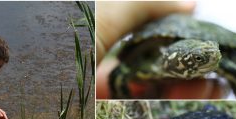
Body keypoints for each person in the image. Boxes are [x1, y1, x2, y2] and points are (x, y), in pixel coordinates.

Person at [96, 1, 227, 99]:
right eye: (198, 58)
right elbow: (118, 73)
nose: (216, 56)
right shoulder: (140, 61)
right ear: (172, 59)